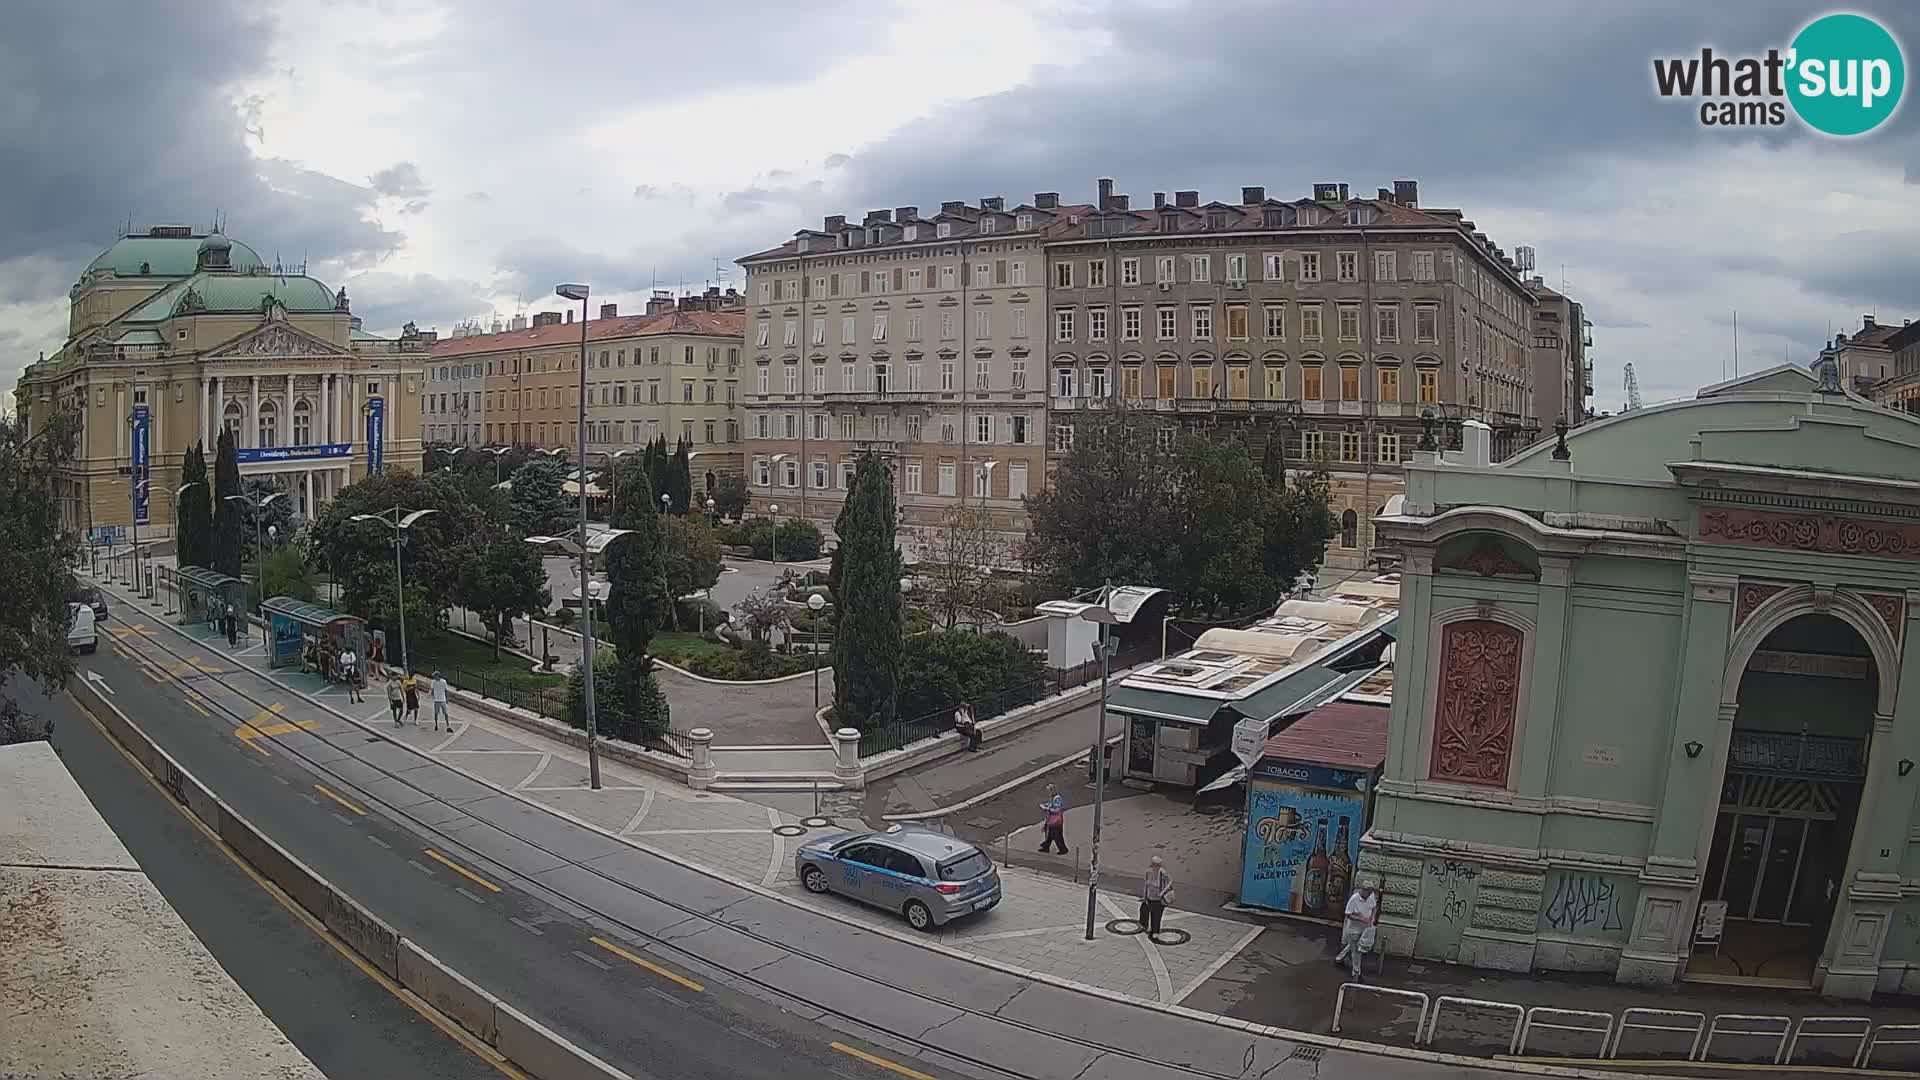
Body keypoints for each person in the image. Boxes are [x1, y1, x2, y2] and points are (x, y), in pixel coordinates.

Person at [1334, 881, 1380, 981]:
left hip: (1365, 928)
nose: (1368, 893)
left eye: (1370, 891)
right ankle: (1356, 972)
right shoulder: (1354, 899)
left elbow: (1374, 907)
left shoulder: (1371, 896)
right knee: (1357, 951)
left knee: (1353, 946)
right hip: (1353, 929)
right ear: (1362, 890)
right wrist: (1361, 919)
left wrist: (1372, 919)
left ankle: (1339, 958)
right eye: (1367, 891)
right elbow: (1348, 914)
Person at [1139, 856, 1175, 935]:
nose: (1156, 867)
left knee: (1156, 916)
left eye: (1158, 865)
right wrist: (1144, 896)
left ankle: (1155, 931)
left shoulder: (1163, 873)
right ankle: (1145, 927)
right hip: (1149, 897)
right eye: (1154, 864)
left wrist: (1162, 892)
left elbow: (1170, 881)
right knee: (1144, 911)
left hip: (1159, 899)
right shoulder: (1148, 872)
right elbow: (1146, 885)